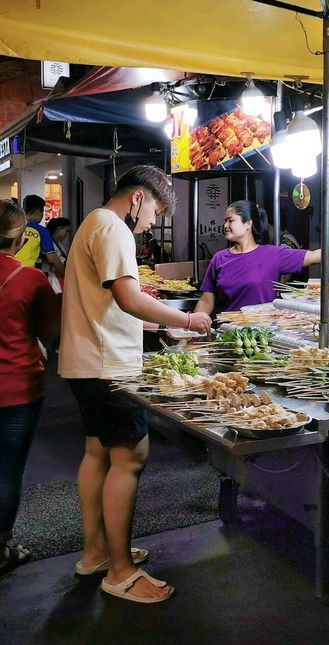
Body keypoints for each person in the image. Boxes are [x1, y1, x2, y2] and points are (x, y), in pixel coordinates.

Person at [58, 165, 212, 604]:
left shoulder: (92, 221)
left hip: (85, 361)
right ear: (139, 198)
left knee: (97, 451)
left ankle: (97, 553)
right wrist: (187, 319)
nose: (150, 224)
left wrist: (156, 328)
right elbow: (127, 297)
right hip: (108, 368)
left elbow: (107, 304)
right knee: (131, 456)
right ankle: (122, 571)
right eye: (154, 213)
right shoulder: (114, 228)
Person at [0, 200, 59, 576]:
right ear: (22, 237)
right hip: (18, 389)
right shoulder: (30, 280)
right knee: (7, 473)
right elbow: (50, 332)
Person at [195, 200, 329, 314]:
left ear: (248, 224)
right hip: (227, 332)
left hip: (262, 334)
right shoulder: (219, 258)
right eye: (225, 221)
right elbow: (206, 300)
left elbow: (314, 256)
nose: (225, 225)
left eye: (230, 220)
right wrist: (189, 328)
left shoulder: (272, 254)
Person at [15, 195, 65, 279]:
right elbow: (52, 259)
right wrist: (66, 273)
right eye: (42, 211)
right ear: (38, 212)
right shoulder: (41, 231)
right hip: (27, 275)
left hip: (8, 272)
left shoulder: (12, 227)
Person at [42, 217, 71, 293]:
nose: (67, 234)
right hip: (50, 277)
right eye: (66, 231)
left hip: (57, 277)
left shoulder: (59, 243)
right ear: (59, 229)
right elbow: (54, 261)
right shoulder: (49, 243)